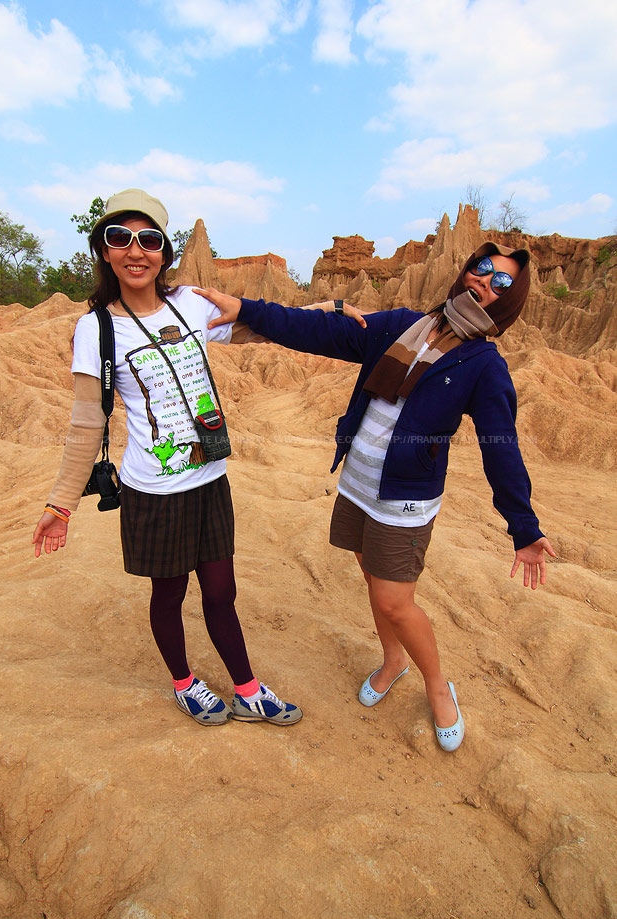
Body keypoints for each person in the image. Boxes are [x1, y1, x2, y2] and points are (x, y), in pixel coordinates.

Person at [194, 242, 556, 751]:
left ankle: (438, 686)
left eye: (501, 282)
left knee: (394, 600)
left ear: (509, 300)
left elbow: (502, 448)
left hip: (405, 499)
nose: (484, 281)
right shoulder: (403, 325)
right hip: (359, 484)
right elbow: (318, 332)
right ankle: (393, 660)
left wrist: (524, 527)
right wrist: (248, 309)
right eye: (482, 268)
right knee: (372, 577)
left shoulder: (483, 364)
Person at [32, 188, 301, 727]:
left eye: (149, 239)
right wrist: (61, 505)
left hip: (210, 478)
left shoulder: (191, 304)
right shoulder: (96, 329)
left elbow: (262, 327)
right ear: (104, 250)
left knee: (221, 591)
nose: (136, 251)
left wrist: (333, 315)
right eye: (120, 238)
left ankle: (247, 690)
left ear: (164, 251)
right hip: (154, 490)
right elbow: (87, 423)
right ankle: (184, 683)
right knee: (170, 592)